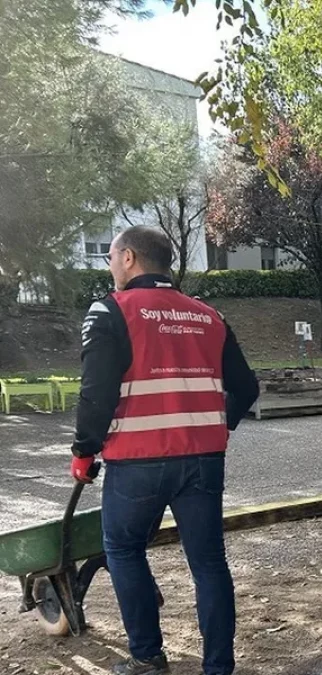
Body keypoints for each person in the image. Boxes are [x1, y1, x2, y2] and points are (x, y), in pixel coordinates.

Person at [69, 227, 259, 675]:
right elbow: (246, 387)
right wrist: (219, 425)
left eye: (111, 257)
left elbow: (95, 394)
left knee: (123, 548)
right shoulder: (209, 316)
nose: (111, 266)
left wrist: (83, 452)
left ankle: (149, 657)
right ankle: (219, 667)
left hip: (137, 461)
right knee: (209, 564)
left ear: (129, 257)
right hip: (203, 462)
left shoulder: (110, 311)